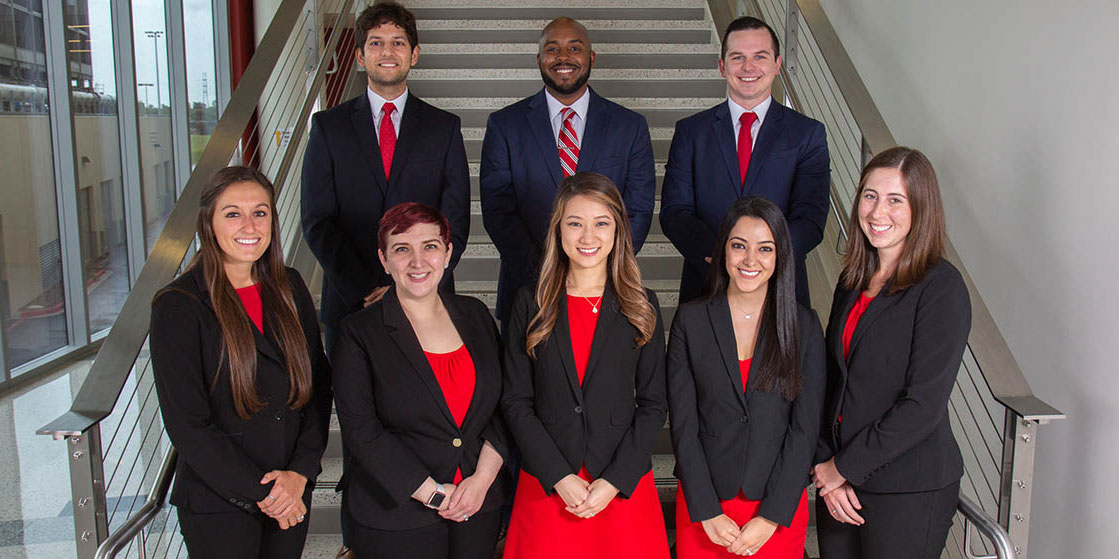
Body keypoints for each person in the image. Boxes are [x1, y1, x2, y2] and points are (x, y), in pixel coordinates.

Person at [149, 166, 332, 559]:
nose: (249, 225)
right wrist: (268, 493)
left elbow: (317, 388)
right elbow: (188, 424)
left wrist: (300, 473)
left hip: (291, 488)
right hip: (221, 502)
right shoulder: (179, 305)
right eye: (232, 213)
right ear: (209, 224)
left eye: (260, 212)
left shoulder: (290, 286)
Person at [811, 147, 970, 558]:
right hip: (840, 483)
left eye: (895, 200)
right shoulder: (853, 280)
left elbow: (922, 405)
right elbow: (830, 381)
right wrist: (827, 463)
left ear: (922, 208)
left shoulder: (941, 289)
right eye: (869, 195)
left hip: (908, 487)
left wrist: (842, 468)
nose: (878, 211)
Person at [330, 203, 512, 559]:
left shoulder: (475, 315)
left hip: (479, 504)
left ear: (447, 253)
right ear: (383, 260)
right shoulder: (358, 332)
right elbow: (361, 431)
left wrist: (481, 482)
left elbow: (506, 404)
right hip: (396, 511)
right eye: (402, 249)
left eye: (429, 246)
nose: (417, 261)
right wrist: (433, 494)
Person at [501, 172, 669, 559]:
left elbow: (654, 403)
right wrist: (559, 477)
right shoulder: (531, 303)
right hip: (549, 486)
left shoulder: (642, 305)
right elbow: (516, 401)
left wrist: (612, 481)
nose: (588, 237)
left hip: (620, 488)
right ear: (558, 231)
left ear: (618, 231)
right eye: (575, 223)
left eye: (601, 223)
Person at [302, 0, 470, 348]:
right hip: (351, 302)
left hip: (426, 298)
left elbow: (455, 220)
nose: (387, 51)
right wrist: (366, 289)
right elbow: (318, 220)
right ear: (361, 56)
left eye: (398, 42)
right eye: (376, 42)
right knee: (354, 402)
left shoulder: (444, 128)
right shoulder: (328, 127)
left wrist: (410, 285)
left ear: (414, 54)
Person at [667, 196, 826, 558]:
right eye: (739, 246)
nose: (750, 260)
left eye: (765, 248)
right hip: (706, 506)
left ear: (780, 256)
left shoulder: (804, 326)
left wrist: (770, 517)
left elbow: (805, 431)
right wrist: (706, 509)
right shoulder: (690, 322)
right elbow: (683, 426)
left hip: (775, 507)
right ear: (723, 251)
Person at [481, 17, 656, 324]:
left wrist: (596, 267)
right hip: (527, 288)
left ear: (591, 58)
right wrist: (548, 271)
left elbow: (638, 210)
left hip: (605, 287)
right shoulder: (505, 125)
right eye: (553, 49)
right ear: (539, 59)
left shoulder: (629, 126)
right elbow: (498, 211)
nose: (563, 57)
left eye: (574, 48)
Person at [660, 16, 830, 308]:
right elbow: (675, 212)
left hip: (781, 291)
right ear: (722, 66)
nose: (748, 67)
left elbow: (811, 218)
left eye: (759, 57)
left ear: (777, 65)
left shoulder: (807, 134)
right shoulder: (691, 132)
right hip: (706, 286)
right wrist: (722, 257)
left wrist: (763, 258)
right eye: (737, 58)